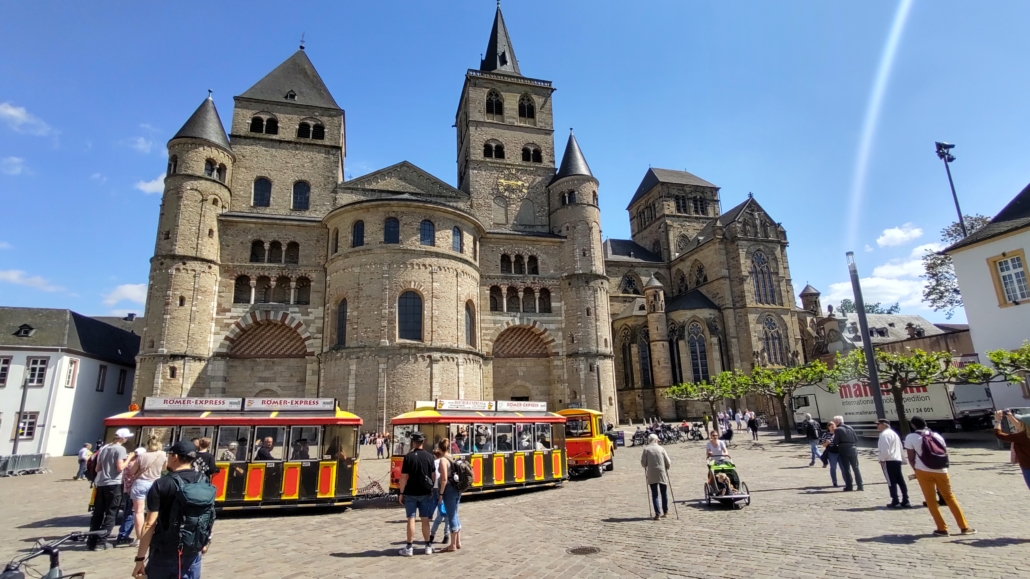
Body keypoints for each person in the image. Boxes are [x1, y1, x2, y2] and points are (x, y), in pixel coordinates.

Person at [131, 440, 212, 579]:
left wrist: (140, 558)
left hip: (165, 550)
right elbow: (207, 514)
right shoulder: (203, 479)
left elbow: (150, 524)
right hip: (192, 548)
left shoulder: (162, 483)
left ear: (174, 457)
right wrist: (205, 541)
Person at [904, 415, 975, 536]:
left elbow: (911, 458)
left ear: (913, 425)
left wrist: (916, 470)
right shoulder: (937, 436)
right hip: (942, 470)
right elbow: (944, 452)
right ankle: (964, 527)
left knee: (931, 500)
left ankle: (942, 528)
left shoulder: (911, 437)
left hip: (923, 471)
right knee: (950, 497)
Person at [88, 428, 132, 550]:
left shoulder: (104, 448)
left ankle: (91, 541)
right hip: (114, 483)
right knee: (111, 513)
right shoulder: (120, 449)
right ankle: (102, 542)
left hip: (102, 483)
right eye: (126, 437)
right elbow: (120, 467)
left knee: (98, 513)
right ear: (122, 438)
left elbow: (98, 468)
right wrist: (129, 458)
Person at [122, 436, 167, 547]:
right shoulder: (163, 455)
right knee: (154, 511)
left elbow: (132, 471)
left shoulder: (142, 456)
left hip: (141, 483)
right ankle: (153, 535)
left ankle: (139, 538)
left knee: (138, 512)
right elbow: (164, 469)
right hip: (155, 483)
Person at [397, 431, 436, 556]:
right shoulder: (430, 457)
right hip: (425, 492)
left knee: (411, 519)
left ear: (413, 442)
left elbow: (403, 478)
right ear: (423, 442)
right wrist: (431, 489)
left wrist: (401, 493)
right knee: (425, 519)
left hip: (411, 492)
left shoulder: (408, 457)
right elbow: (433, 476)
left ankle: (409, 547)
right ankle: (428, 546)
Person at [876, 419, 910, 508]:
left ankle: (895, 500)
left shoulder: (884, 435)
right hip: (896, 459)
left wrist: (882, 460)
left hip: (888, 460)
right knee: (900, 480)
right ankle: (906, 500)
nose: (877, 426)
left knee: (891, 481)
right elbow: (900, 447)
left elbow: (884, 450)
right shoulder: (894, 434)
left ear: (884, 424)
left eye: (878, 424)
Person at [436, 438, 463, 552]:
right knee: (455, 514)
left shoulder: (443, 460)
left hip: (449, 490)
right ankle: (458, 541)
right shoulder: (451, 457)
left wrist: (441, 494)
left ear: (440, 448)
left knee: (451, 516)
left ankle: (452, 544)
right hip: (457, 489)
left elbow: (444, 479)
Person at [993, 410, 1030, 490]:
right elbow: (1021, 427)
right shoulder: (1024, 435)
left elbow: (1000, 435)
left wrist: (997, 420)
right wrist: (1010, 417)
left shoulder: (1022, 437)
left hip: (1028, 467)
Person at [640, 433, 672, 520]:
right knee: (664, 493)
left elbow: (643, 463)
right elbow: (668, 462)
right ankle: (665, 512)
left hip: (651, 473)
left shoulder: (646, 449)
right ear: (656, 440)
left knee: (655, 495)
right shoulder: (661, 448)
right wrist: (667, 467)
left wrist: (646, 465)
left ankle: (657, 514)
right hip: (661, 472)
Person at [830, 416, 863, 492]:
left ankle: (849, 486)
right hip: (853, 449)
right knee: (856, 468)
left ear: (837, 422)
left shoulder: (838, 429)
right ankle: (860, 485)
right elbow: (856, 439)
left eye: (834, 422)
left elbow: (836, 441)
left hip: (844, 450)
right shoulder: (850, 427)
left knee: (846, 469)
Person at [428, 440, 451, 547]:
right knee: (446, 515)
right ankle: (446, 535)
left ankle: (432, 534)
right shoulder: (450, 458)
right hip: (448, 489)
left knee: (439, 514)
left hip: (439, 489)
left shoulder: (439, 461)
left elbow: (438, 477)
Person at [819, 420, 841, 487]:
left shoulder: (838, 433)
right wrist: (827, 443)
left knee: (843, 468)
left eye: (833, 425)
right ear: (828, 427)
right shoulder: (826, 434)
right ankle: (834, 482)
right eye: (830, 426)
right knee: (833, 467)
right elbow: (823, 445)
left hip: (840, 452)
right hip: (832, 453)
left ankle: (847, 481)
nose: (832, 427)